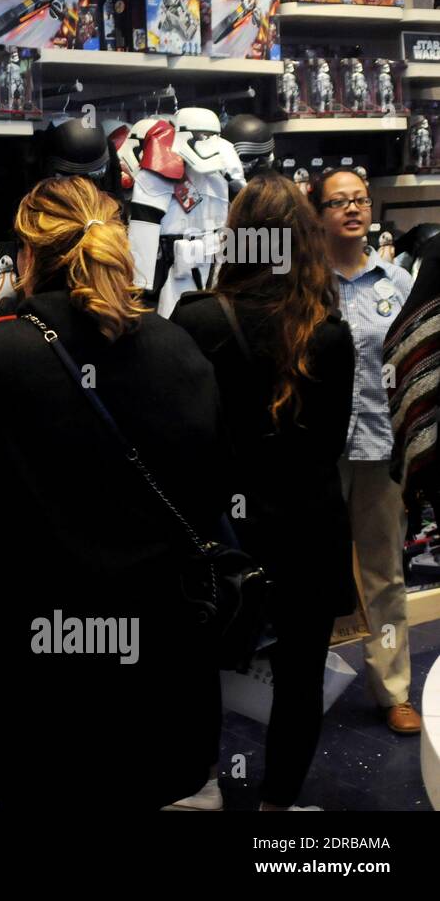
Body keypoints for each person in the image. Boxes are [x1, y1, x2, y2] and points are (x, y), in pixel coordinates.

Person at [0, 175, 230, 810]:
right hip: (154, 650)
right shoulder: (180, 349)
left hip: (33, 657)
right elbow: (205, 480)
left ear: (28, 258)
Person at [173, 172, 356, 809]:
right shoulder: (328, 332)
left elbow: (178, 433)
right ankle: (280, 805)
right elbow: (329, 444)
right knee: (300, 675)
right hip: (304, 525)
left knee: (196, 665)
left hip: (215, 529)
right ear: (306, 242)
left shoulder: (195, 319)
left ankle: (199, 787)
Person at [312, 168, 421, 735]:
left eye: (359, 200)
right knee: (309, 571)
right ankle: (300, 686)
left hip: (380, 447)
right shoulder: (306, 285)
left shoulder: (396, 285)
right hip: (319, 452)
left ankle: (393, 689)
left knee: (384, 574)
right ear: (318, 215)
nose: (352, 210)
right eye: (339, 202)